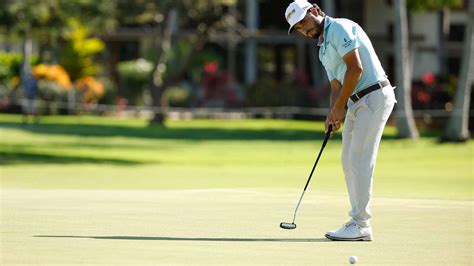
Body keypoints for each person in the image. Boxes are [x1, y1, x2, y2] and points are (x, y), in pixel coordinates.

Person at [285, 0, 396, 241]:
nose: (304, 30)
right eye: (299, 29)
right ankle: (357, 222)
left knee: (359, 158)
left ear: (314, 10)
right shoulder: (323, 47)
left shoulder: (339, 28)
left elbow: (355, 69)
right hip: (356, 101)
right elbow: (336, 84)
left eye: (304, 22)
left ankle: (361, 223)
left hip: (375, 95)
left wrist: (339, 108)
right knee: (348, 160)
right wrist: (332, 112)